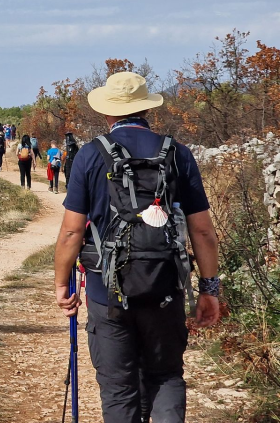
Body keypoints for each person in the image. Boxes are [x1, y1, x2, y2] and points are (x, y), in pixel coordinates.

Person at [54, 72, 220, 423]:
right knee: (166, 377)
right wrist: (209, 289)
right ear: (147, 109)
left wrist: (60, 286)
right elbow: (203, 232)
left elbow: (71, 233)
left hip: (106, 291)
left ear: (108, 112)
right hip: (166, 288)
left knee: (118, 388)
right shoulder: (177, 153)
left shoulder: (90, 155)